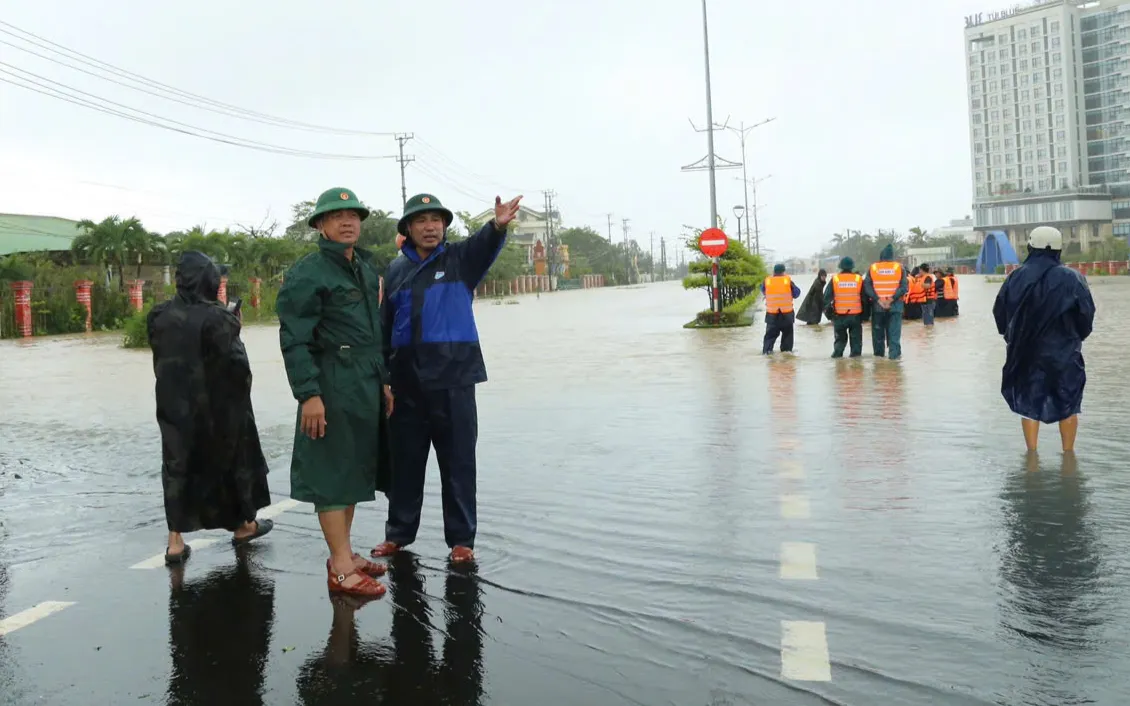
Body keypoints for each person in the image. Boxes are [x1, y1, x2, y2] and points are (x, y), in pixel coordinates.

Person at [372, 192, 523, 564]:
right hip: (407, 384)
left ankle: (461, 540)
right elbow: (384, 326)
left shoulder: (460, 260)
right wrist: (383, 376)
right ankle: (398, 534)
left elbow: (484, 244)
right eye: (422, 221)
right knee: (405, 464)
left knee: (458, 463)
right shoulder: (395, 271)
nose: (430, 227)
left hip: (454, 379)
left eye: (437, 220)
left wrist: (497, 225)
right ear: (407, 228)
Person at [277, 187, 394, 598]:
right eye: (337, 216)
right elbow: (295, 340)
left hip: (363, 380)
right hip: (330, 381)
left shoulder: (362, 268)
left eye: (354, 215)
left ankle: (344, 552)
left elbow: (373, 331)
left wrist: (383, 379)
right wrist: (309, 394)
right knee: (330, 472)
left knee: (353, 469)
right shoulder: (308, 274)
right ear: (320, 225)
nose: (348, 222)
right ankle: (341, 568)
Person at [147, 250, 273, 565]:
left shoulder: (158, 315)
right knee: (233, 462)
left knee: (176, 466)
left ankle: (175, 542)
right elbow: (237, 368)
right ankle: (244, 525)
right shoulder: (219, 318)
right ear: (208, 280)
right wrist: (235, 329)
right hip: (218, 411)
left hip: (174, 408)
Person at [993, 226, 1095, 453]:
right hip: (1065, 352)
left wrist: (1012, 338)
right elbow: (1086, 316)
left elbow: (1000, 313)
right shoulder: (1073, 278)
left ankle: (1032, 456)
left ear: (1030, 246)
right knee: (1069, 404)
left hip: (1025, 352)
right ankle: (1068, 456)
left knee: (1029, 404)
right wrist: (1075, 337)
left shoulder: (1015, 277)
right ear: (1059, 249)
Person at [863, 244, 909, 359]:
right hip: (895, 307)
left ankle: (879, 364)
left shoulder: (873, 268)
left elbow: (867, 287)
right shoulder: (899, 268)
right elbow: (904, 287)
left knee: (878, 338)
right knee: (894, 336)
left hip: (878, 307)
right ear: (892, 256)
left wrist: (878, 300)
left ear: (881, 256)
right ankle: (894, 363)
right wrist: (892, 299)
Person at [823, 257, 864, 358]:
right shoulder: (858, 279)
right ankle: (857, 369)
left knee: (839, 343)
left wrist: (830, 316)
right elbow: (865, 299)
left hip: (839, 316)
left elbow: (826, 299)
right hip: (855, 316)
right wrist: (865, 316)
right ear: (852, 267)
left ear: (840, 267)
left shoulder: (835, 279)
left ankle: (838, 366)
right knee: (856, 345)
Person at [760, 263, 802, 353]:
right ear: (783, 271)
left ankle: (767, 353)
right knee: (787, 340)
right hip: (787, 315)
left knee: (769, 338)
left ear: (774, 271)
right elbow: (797, 293)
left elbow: (763, 291)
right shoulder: (788, 281)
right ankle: (786, 357)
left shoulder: (767, 281)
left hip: (772, 315)